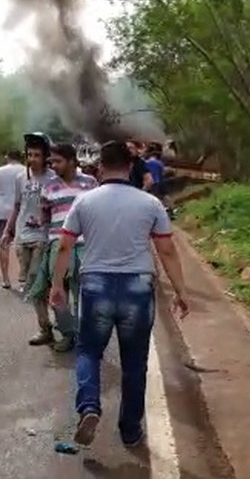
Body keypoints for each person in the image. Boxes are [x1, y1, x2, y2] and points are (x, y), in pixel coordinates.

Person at [49, 140, 189, 448]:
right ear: (130, 167)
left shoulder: (85, 202)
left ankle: (88, 407)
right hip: (137, 287)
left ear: (99, 167)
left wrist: (57, 285)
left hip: (95, 284)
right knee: (135, 362)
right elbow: (166, 249)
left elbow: (64, 246)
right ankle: (130, 430)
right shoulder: (150, 204)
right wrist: (180, 291)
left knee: (88, 351)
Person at [25, 143, 97, 352]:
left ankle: (87, 335)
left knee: (85, 292)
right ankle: (68, 333)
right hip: (58, 244)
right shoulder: (49, 188)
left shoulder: (91, 184)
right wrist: (45, 244)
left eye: (57, 161)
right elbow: (45, 219)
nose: (53, 166)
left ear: (72, 161)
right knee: (57, 293)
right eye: (51, 162)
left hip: (85, 245)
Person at [2, 132, 54, 309]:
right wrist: (7, 231)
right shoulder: (20, 178)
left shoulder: (53, 178)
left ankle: (52, 322)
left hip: (44, 236)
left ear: (46, 156)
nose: (32, 159)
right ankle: (44, 324)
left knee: (35, 279)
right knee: (30, 282)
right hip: (23, 236)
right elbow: (17, 206)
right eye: (29, 155)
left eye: (37, 155)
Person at [0, 149, 25, 289]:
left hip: (3, 212)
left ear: (7, 157)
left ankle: (6, 279)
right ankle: (23, 277)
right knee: (23, 245)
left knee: (4, 244)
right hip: (21, 212)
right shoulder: (26, 171)